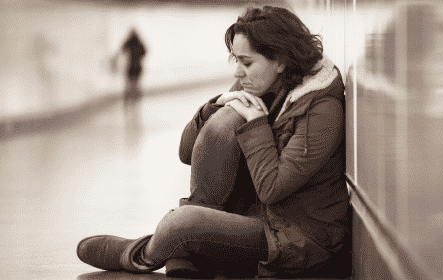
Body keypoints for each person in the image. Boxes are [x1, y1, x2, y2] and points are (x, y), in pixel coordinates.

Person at [77, 6, 351, 278]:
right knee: (227, 118)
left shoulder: (321, 109)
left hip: (299, 238)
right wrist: (216, 105)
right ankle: (188, 250)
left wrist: (255, 123)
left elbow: (272, 188)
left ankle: (142, 255)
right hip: (262, 214)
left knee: (182, 223)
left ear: (280, 60)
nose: (238, 73)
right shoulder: (262, 83)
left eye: (247, 62)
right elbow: (186, 152)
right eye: (236, 60)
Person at [121, 28, 147, 101]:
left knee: (130, 83)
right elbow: (145, 52)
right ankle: (135, 98)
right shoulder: (139, 43)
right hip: (137, 66)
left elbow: (123, 48)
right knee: (135, 83)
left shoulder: (130, 42)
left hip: (131, 66)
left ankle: (130, 98)